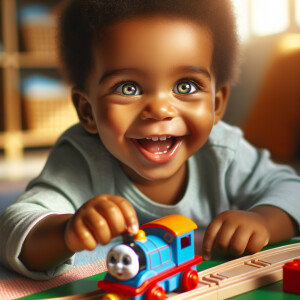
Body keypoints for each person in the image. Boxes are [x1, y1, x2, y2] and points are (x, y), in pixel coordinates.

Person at [0, 0, 299, 280]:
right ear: (87, 110)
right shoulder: (82, 160)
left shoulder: (223, 151)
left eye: (185, 85)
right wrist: (65, 232)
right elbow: (14, 227)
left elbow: (291, 190)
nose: (159, 109)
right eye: (128, 88)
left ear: (217, 104)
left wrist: (263, 220)